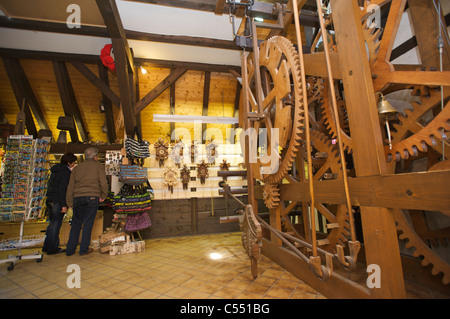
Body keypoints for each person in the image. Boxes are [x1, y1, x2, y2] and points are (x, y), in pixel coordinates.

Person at [65, 147, 108, 256]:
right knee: (88, 223)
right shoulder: (99, 167)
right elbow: (103, 183)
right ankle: (83, 249)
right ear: (95, 157)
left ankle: (70, 249)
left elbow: (70, 186)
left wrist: (69, 202)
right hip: (93, 197)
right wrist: (103, 195)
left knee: (76, 223)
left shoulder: (76, 168)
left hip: (78, 198)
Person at [43, 152, 77, 255]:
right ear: (68, 162)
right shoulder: (65, 173)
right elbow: (62, 190)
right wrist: (64, 205)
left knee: (52, 223)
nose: (74, 164)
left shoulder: (55, 170)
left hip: (50, 199)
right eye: (73, 162)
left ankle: (47, 246)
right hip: (57, 201)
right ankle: (53, 248)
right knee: (56, 224)